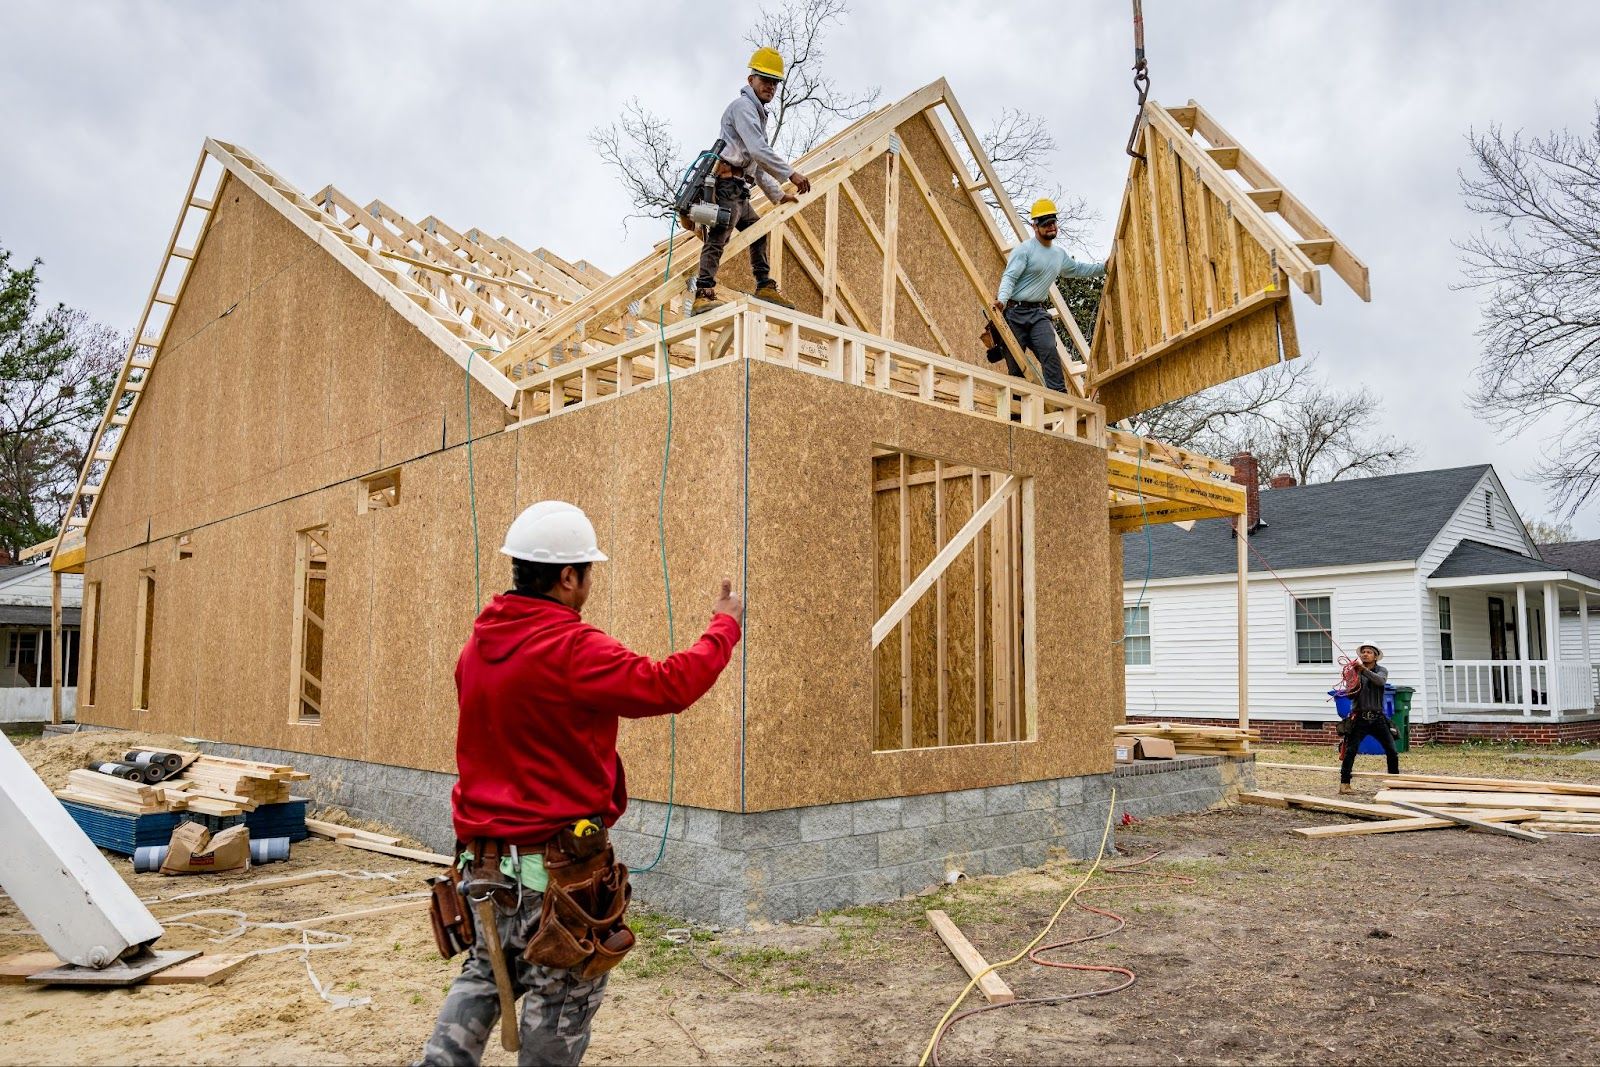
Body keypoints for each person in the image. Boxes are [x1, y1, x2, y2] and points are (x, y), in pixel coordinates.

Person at [420, 500, 743, 1066]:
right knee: (560, 1000)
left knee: (485, 974)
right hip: (555, 879)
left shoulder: (477, 649)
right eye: (589, 572)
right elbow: (668, 685)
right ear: (568, 576)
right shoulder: (572, 648)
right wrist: (725, 626)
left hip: (484, 872)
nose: (590, 584)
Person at [690, 46, 811, 317]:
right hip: (725, 187)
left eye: (775, 82)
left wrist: (778, 195)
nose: (771, 86)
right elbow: (758, 150)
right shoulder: (743, 108)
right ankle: (703, 293)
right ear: (751, 80)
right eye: (765, 80)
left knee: (757, 230)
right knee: (718, 238)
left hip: (739, 190)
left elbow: (756, 166)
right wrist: (791, 174)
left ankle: (764, 285)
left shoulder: (757, 114)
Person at [991, 198, 1106, 393]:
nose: (1051, 227)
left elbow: (1077, 269)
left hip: (1037, 313)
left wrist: (1103, 268)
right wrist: (1002, 300)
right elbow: (1010, 277)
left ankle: (1059, 399)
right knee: (1016, 365)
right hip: (1014, 313)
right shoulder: (1024, 250)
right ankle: (1018, 405)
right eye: (1046, 224)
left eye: (1053, 222)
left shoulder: (1058, 254)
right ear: (1035, 226)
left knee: (1049, 350)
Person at [1339, 643, 1398, 793]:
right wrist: (1353, 680)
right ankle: (1344, 784)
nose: (1365, 654)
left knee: (1391, 750)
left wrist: (1363, 670)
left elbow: (1380, 681)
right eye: (1363, 652)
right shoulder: (1353, 672)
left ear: (1375, 657)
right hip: (1359, 718)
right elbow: (1350, 695)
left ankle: (1395, 784)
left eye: (1369, 652)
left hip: (1378, 718)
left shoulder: (1382, 670)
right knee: (1351, 751)